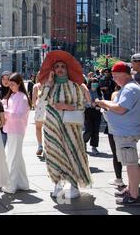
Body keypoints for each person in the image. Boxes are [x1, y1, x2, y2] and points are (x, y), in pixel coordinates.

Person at [39, 51, 91, 199]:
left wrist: (68, 107)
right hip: (51, 127)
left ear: (67, 69)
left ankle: (73, 185)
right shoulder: (49, 86)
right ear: (53, 70)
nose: (60, 69)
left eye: (62, 66)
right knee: (53, 154)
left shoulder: (75, 86)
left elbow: (82, 105)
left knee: (71, 153)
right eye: (57, 66)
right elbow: (41, 100)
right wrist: (48, 83)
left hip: (70, 128)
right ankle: (57, 184)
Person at [96, 62, 140, 205]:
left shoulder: (130, 89)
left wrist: (104, 103)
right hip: (125, 131)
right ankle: (131, 189)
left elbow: (121, 109)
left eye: (115, 76)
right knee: (129, 162)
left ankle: (134, 195)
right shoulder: (129, 88)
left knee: (131, 163)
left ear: (123, 75)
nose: (114, 79)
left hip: (126, 132)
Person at [1, 73, 31, 194]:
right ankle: (23, 183)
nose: (11, 86)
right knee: (16, 156)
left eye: (13, 84)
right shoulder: (13, 96)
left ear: (19, 84)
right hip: (11, 129)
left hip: (17, 130)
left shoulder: (23, 98)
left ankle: (11, 185)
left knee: (12, 157)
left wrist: (5, 111)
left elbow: (19, 115)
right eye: (10, 85)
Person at [102, 85, 126, 188]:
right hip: (126, 129)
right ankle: (119, 179)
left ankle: (119, 179)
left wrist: (105, 109)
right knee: (127, 156)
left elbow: (110, 112)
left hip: (115, 129)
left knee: (118, 155)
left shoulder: (115, 94)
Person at [83, 77, 103, 155]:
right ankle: (83, 142)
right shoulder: (86, 91)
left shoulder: (99, 92)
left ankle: (94, 147)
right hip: (88, 111)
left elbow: (102, 100)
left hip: (97, 112)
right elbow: (83, 101)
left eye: (96, 84)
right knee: (88, 130)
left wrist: (99, 104)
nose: (94, 86)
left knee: (96, 130)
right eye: (93, 84)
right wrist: (91, 103)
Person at [32, 76, 45, 156]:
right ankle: (48, 146)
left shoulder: (36, 86)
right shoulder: (50, 84)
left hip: (40, 107)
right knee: (48, 129)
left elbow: (33, 98)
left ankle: (40, 146)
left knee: (38, 128)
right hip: (48, 107)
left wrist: (34, 106)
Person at [0, 71, 11, 146]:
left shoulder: (13, 91)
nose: (5, 81)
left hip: (11, 122)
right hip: (1, 122)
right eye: (3, 79)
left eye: (7, 79)